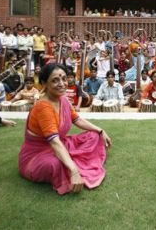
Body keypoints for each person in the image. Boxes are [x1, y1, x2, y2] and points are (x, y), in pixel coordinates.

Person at [18, 63, 112, 195]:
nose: (62, 83)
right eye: (55, 80)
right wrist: (74, 171)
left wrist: (100, 130)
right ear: (44, 84)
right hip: (38, 155)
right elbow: (54, 141)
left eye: (63, 78)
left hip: (61, 143)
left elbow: (77, 120)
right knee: (55, 164)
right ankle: (70, 163)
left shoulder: (63, 99)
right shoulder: (43, 107)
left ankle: (69, 160)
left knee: (93, 135)